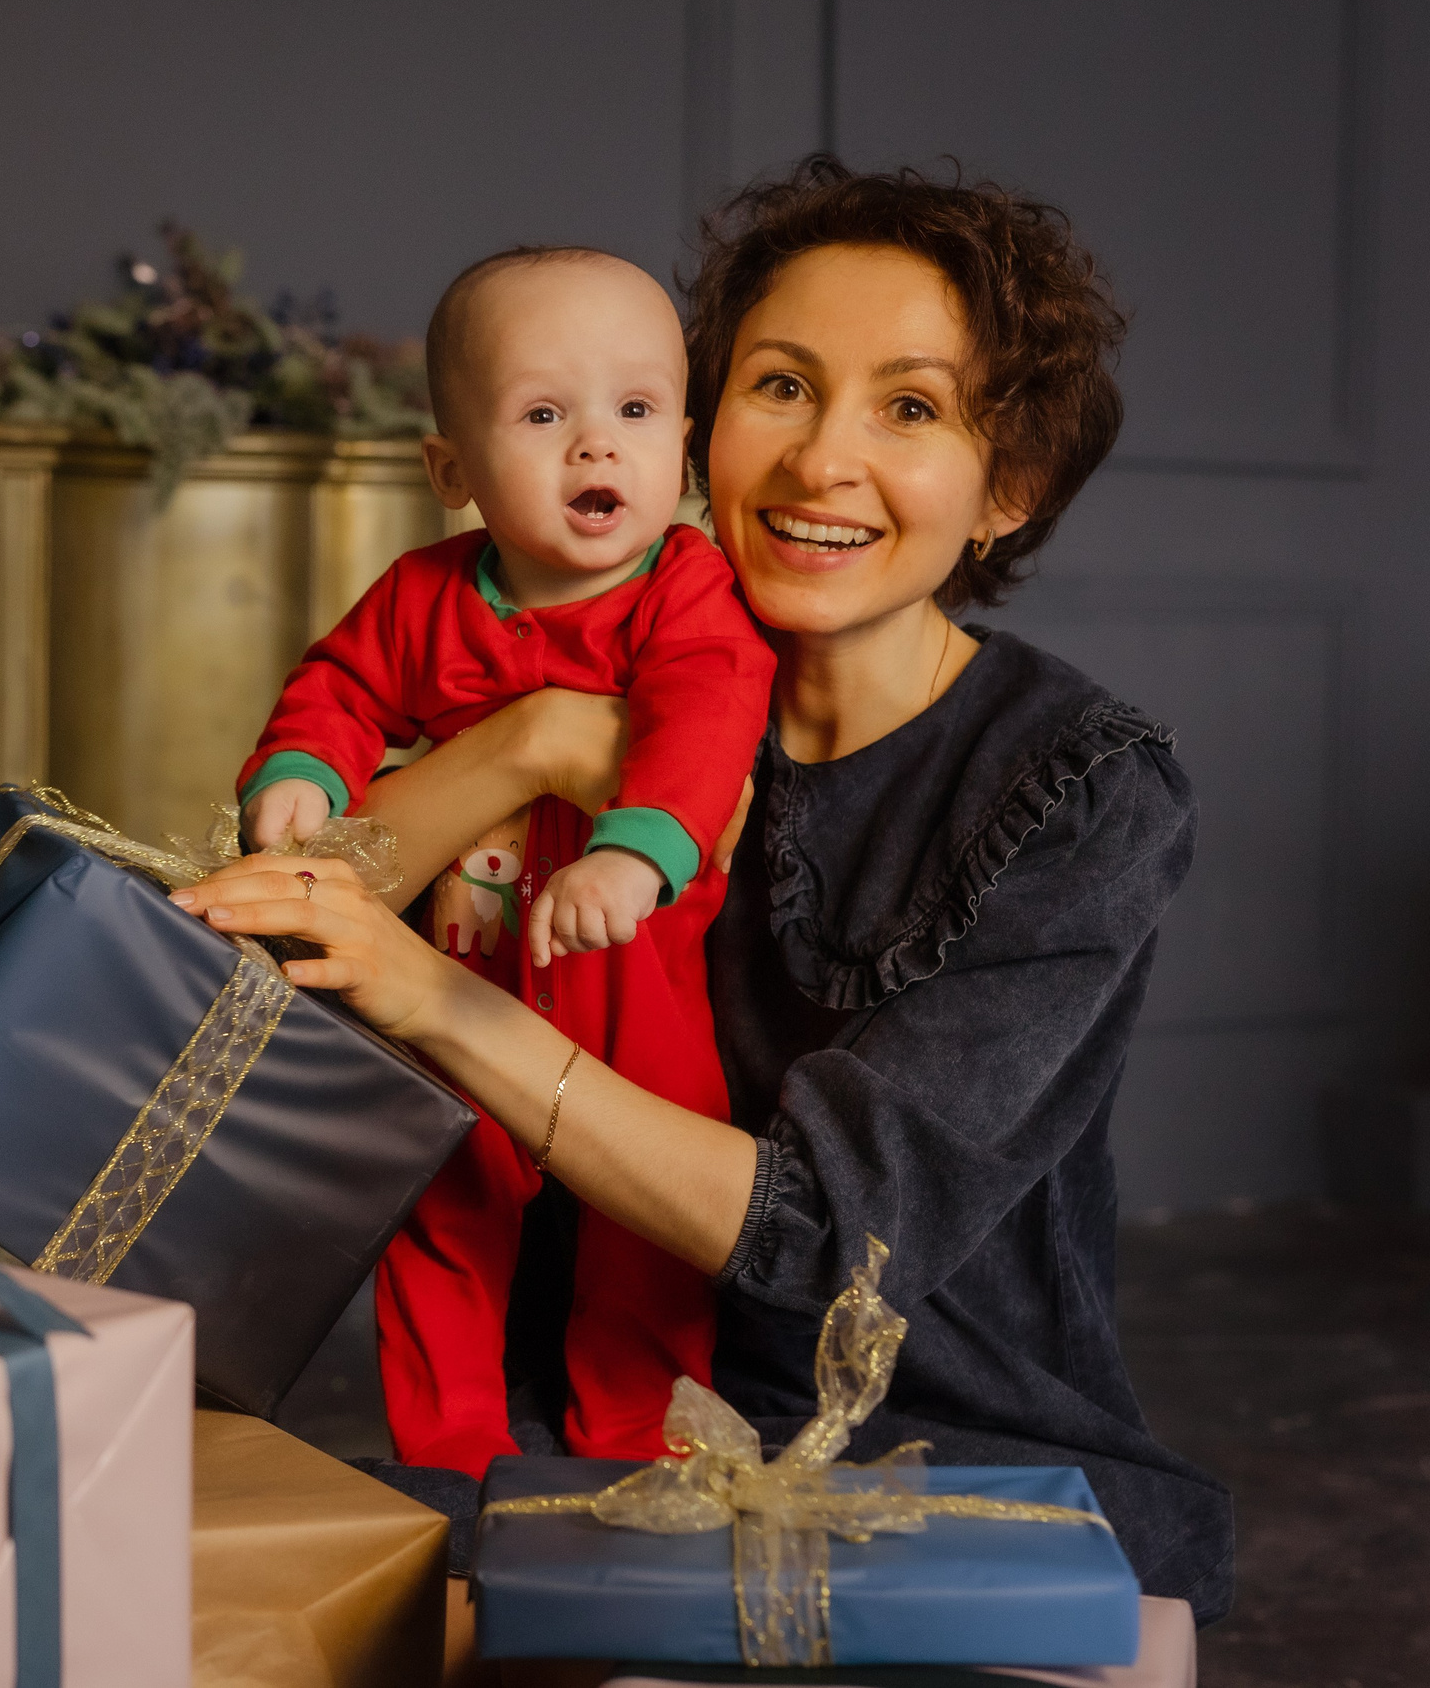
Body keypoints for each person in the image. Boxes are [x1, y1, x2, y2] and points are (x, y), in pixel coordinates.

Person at [174, 159, 1233, 1622]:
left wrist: (437, 989)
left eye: (910, 409)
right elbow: (290, 901)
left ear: (1008, 488)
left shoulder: (1078, 788)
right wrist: (532, 741)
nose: (819, 463)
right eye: (781, 386)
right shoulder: (577, 638)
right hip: (573, 1423)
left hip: (923, 1450)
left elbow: (824, 1237)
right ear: (701, 422)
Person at [234, 249, 774, 1472]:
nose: (598, 448)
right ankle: (451, 1449)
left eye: (634, 412)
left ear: (682, 446)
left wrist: (634, 856)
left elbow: (707, 712)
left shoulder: (682, 590)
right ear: (453, 471)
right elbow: (337, 686)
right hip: (461, 966)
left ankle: (639, 1431)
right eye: (544, 416)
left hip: (630, 977)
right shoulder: (423, 594)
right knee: (442, 1201)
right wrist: (301, 774)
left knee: (640, 1203)